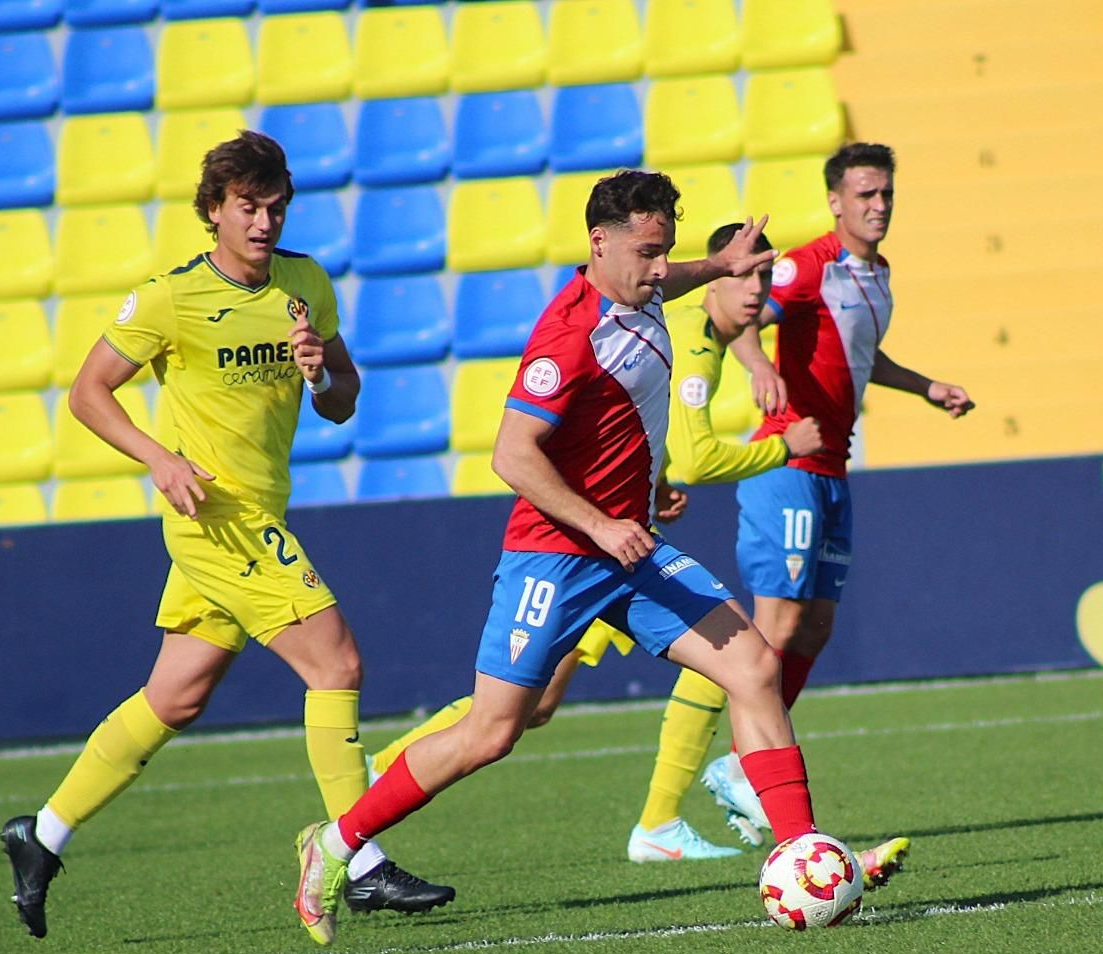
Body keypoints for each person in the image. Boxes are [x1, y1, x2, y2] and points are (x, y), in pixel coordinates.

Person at [295, 169, 831, 947]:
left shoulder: (640, 290)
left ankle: (803, 854)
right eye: (647, 253)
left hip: (631, 548)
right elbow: (512, 455)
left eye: (666, 252)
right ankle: (335, 844)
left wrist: (718, 267)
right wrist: (602, 524)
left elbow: (664, 285)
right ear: (599, 242)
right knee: (493, 731)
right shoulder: (567, 336)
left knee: (751, 666)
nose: (658, 267)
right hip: (556, 556)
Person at [0, 131, 452, 939]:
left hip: (262, 510)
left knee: (177, 694)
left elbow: (344, 399)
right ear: (214, 211)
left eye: (276, 207)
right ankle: (360, 859)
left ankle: (43, 834)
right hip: (216, 513)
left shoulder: (304, 283)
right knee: (337, 662)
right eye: (248, 207)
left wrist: (321, 373)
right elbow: (88, 392)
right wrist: (160, 459)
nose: (264, 222)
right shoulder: (172, 298)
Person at [368, 224, 907, 882]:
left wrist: (654, 482)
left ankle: (763, 839)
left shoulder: (692, 324)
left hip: (630, 543)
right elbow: (699, 451)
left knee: (742, 663)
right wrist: (780, 447)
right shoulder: (683, 345)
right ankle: (378, 779)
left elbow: (652, 426)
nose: (755, 293)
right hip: (578, 548)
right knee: (516, 714)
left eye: (764, 280)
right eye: (744, 279)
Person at [699, 142, 975, 844]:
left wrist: (926, 387)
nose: (877, 205)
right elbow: (738, 317)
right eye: (863, 194)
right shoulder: (807, 264)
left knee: (815, 626)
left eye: (885, 194)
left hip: (833, 470)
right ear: (835, 200)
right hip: (786, 466)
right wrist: (760, 367)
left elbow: (862, 355)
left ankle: (744, 764)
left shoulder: (877, 274)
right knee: (776, 629)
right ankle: (747, 768)